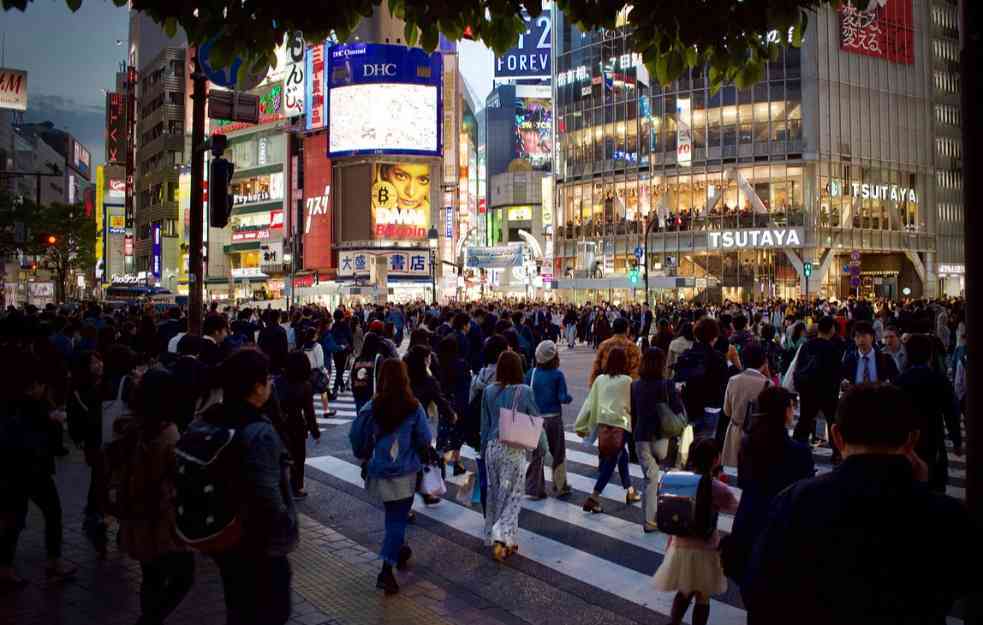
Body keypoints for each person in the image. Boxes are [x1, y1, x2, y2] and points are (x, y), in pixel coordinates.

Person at [745, 383, 975, 625]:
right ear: (911, 440)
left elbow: (760, 591)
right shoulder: (946, 515)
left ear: (837, 436)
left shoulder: (796, 502)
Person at [200, 349, 298, 625]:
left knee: (238, 606)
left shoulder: (211, 416)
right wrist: (286, 524)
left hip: (224, 530)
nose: (270, 384)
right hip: (258, 539)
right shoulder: (258, 430)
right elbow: (268, 495)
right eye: (267, 379)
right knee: (272, 611)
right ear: (256, 387)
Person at [116, 368, 196, 625]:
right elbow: (180, 476)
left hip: (136, 514)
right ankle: (149, 621)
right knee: (184, 576)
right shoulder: (168, 432)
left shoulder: (131, 426)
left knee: (150, 575)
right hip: (163, 518)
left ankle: (149, 618)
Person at [350, 359, 432, 595]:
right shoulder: (413, 406)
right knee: (398, 519)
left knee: (392, 517)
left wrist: (365, 454)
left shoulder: (372, 406)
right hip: (405, 471)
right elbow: (425, 438)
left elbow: (357, 436)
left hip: (380, 470)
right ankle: (386, 570)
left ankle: (400, 548)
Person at [724, 386, 813, 598]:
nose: (794, 412)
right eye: (792, 407)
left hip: (749, 520)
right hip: (782, 527)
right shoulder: (799, 451)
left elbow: (744, 481)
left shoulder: (748, 443)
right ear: (784, 410)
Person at [0, 355, 77, 587]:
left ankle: (6, 567)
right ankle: (52, 562)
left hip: (17, 469)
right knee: (45, 513)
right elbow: (43, 442)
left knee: (15, 518)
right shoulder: (30, 409)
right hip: (29, 469)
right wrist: (52, 422)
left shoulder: (16, 404)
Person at [653, 438, 738, 625]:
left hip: (680, 546)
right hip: (706, 548)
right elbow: (736, 508)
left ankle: (673, 622)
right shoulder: (717, 487)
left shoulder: (679, 480)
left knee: (684, 591)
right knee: (702, 596)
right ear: (715, 459)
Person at [480, 351, 542, 561]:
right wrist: (543, 448)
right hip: (512, 450)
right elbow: (535, 419)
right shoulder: (524, 391)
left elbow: (485, 424)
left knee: (497, 494)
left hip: (491, 448)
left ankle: (508, 540)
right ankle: (501, 534)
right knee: (513, 496)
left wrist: (482, 451)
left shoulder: (488, 390)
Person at [894, 334, 962, 492]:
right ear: (930, 355)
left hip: (907, 440)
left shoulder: (900, 380)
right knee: (935, 485)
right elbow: (951, 412)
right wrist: (956, 440)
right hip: (933, 437)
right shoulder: (939, 380)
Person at [576, 347, 640, 513]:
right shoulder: (627, 381)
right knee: (613, 459)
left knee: (620, 456)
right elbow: (633, 404)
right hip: (622, 425)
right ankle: (594, 497)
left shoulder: (600, 380)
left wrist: (581, 424)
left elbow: (589, 403)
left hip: (604, 425)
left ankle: (630, 491)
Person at [631, 347, 685, 532]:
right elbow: (677, 409)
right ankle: (671, 513)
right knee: (671, 472)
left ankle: (649, 521)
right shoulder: (667, 384)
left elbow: (634, 414)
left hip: (641, 436)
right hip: (662, 436)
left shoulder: (635, 385)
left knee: (650, 479)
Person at [524, 340, 573, 499]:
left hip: (535, 420)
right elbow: (562, 397)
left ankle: (535, 489)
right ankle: (560, 486)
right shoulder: (557, 375)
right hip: (553, 419)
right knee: (558, 452)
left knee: (537, 454)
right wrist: (568, 398)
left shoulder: (531, 373)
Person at [791, 316, 844, 451]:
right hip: (828, 392)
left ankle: (797, 449)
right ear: (832, 329)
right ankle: (837, 452)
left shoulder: (806, 345)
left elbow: (799, 367)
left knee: (804, 421)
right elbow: (837, 373)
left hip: (807, 390)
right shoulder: (833, 348)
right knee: (832, 421)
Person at [275, 351, 321, 499]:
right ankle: (296, 488)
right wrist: (315, 431)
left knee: (279, 458)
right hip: (296, 426)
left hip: (279, 425)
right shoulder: (305, 386)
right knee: (298, 458)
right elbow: (309, 413)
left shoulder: (277, 382)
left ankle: (279, 487)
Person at [720, 345, 772, 468]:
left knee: (733, 472)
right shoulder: (768, 384)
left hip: (735, 433)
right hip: (759, 437)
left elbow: (727, 411)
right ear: (764, 362)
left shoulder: (733, 380)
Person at [436, 336, 472, 476]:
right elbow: (467, 384)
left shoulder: (439, 365)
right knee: (457, 435)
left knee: (443, 435)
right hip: (459, 403)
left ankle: (441, 463)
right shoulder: (462, 364)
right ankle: (457, 463)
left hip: (444, 404)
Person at [841, 321, 899, 387]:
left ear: (872, 337)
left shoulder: (886, 359)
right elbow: (844, 379)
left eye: (864, 336)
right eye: (857, 337)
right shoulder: (850, 359)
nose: (861, 340)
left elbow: (896, 381)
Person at [588, 317, 642, 384]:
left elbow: (596, 367)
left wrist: (594, 384)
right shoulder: (632, 347)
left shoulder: (604, 344)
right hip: (625, 387)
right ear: (627, 329)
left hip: (606, 385)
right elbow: (635, 370)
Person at [300, 327, 333, 417]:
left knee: (308, 394)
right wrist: (325, 372)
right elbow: (320, 363)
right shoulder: (317, 346)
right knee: (323, 391)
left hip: (306, 373)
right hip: (317, 372)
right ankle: (326, 411)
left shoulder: (303, 346)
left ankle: (306, 413)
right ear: (314, 335)